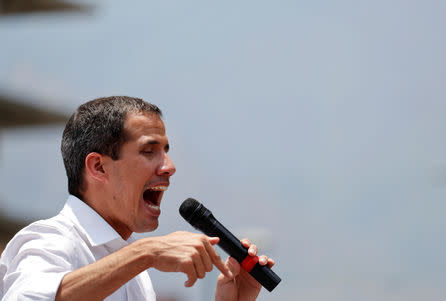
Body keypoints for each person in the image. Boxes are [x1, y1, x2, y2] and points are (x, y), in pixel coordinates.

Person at [0, 96, 274, 301]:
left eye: (165, 151)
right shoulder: (50, 240)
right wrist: (146, 253)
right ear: (99, 167)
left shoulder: (132, 268)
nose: (169, 166)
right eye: (148, 151)